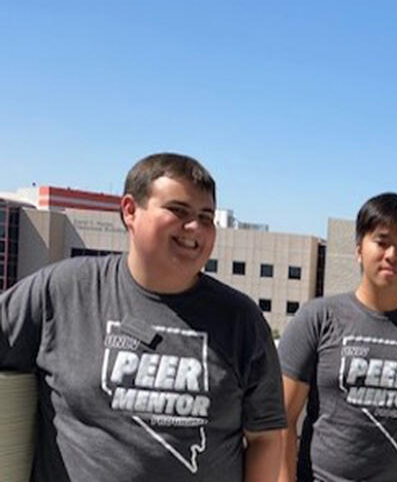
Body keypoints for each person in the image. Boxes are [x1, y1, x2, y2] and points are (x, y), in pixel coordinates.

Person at [0, 153, 286, 481]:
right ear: (130, 211)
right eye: (178, 211)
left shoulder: (241, 319)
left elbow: (265, 437)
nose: (195, 227)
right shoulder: (63, 291)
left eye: (206, 216)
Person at [278, 192, 397, 482]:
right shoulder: (317, 318)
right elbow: (281, 419)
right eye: (382, 242)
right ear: (359, 248)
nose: (393, 255)